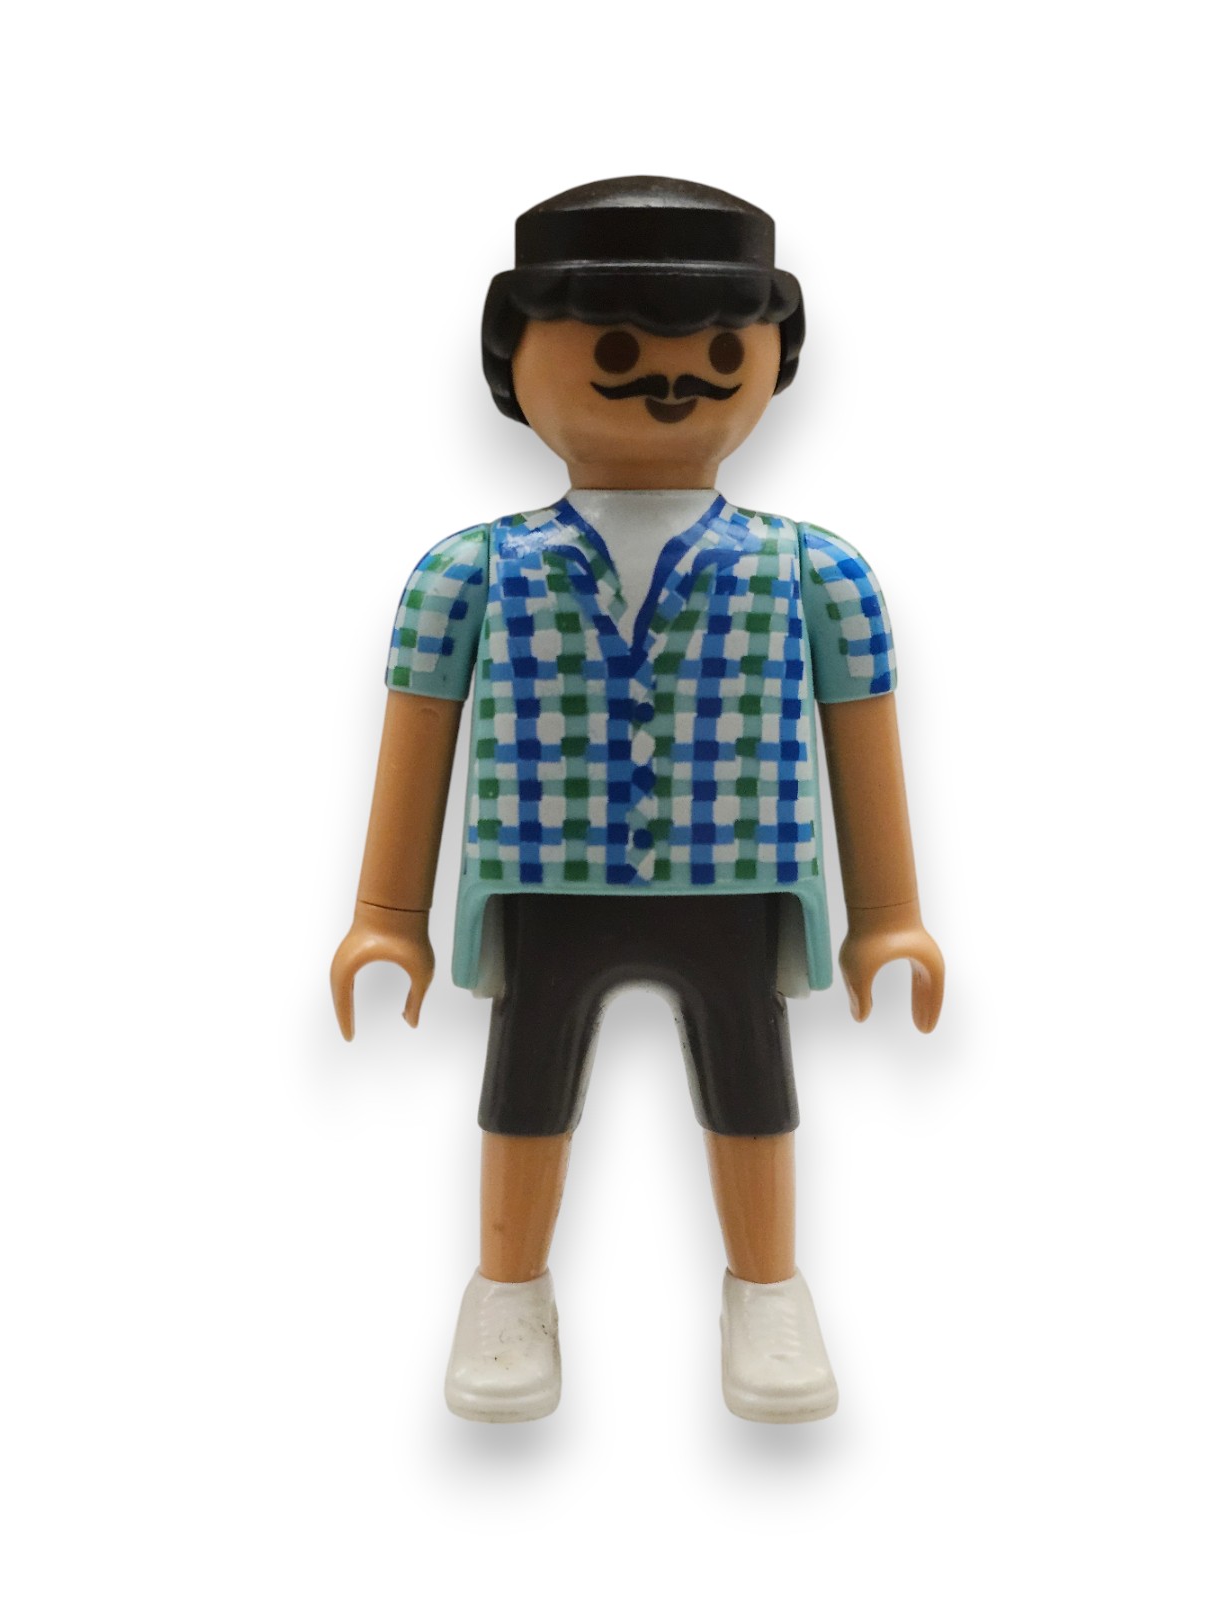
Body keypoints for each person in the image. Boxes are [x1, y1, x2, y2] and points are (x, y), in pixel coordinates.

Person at [331, 175, 944, 1423]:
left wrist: (889, 916)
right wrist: (385, 914)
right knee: (524, 1084)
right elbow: (416, 738)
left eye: (719, 350)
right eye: (615, 350)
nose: (672, 381)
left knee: (753, 1084)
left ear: (772, 360)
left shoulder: (815, 572)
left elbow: (863, 739)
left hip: (736, 872)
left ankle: (766, 1288)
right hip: (544, 871)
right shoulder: (470, 572)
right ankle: (507, 1289)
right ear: (515, 362)